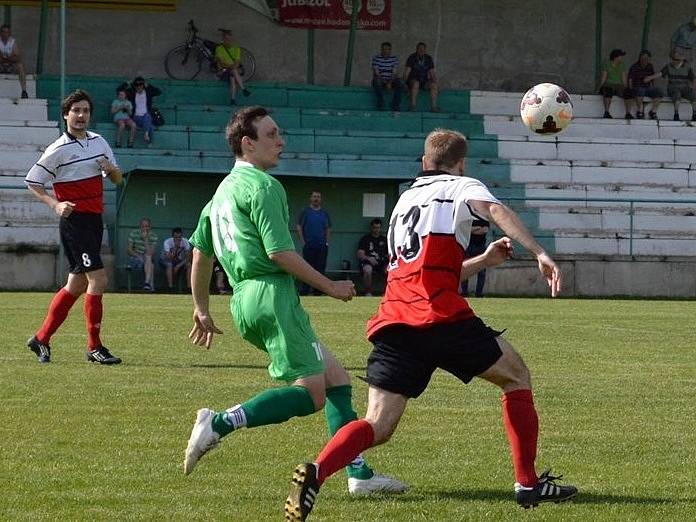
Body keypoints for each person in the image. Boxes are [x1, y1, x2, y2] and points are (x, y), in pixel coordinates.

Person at [285, 129, 578, 521]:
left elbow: (428, 269)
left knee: (377, 424)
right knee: (517, 377)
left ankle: (317, 472)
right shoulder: (462, 186)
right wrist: (540, 252)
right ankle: (527, 483)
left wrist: (484, 261)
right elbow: (496, 211)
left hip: (396, 322)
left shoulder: (405, 200)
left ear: (424, 163)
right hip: (443, 318)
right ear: (460, 164)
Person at [183, 106, 407, 499]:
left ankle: (358, 472)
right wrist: (331, 287)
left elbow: (200, 254)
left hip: (244, 301)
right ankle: (219, 423)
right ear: (247, 143)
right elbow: (279, 254)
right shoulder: (265, 187)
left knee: (337, 380)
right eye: (271, 135)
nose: (281, 141)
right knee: (311, 394)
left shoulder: (220, 193)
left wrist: (201, 308)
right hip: (271, 294)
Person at [24, 89, 122, 365]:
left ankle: (41, 339)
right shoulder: (57, 149)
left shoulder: (100, 142)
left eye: (85, 111)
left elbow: (117, 179)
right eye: (75, 111)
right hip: (74, 222)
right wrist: (54, 204)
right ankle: (95, 346)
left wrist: (109, 168)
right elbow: (33, 182)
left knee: (76, 283)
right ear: (66, 115)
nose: (81, 116)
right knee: (98, 279)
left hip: (94, 220)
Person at [644, 49, 696, 121]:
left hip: (684, 86)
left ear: (681, 60)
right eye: (673, 58)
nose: (674, 60)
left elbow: (693, 78)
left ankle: (694, 114)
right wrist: (650, 77)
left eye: (676, 59)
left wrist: (693, 87)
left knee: (693, 95)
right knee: (677, 94)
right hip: (673, 86)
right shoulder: (668, 66)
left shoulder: (687, 68)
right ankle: (676, 114)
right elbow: (660, 74)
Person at [296, 191, 331, 296]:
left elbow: (328, 228)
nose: (316, 199)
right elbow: (299, 227)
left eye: (318, 197)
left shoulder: (324, 213)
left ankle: (318, 291)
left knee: (320, 268)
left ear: (321, 199)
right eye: (314, 196)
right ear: (310, 198)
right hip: (309, 245)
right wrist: (303, 242)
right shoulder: (305, 212)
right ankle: (305, 291)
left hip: (322, 245)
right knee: (307, 268)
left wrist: (327, 242)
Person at [120, 76, 161, 147]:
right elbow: (119, 89)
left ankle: (146, 134)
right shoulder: (132, 93)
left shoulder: (148, 92)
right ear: (134, 86)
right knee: (149, 120)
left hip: (146, 116)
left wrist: (148, 85)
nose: (139, 87)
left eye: (141, 85)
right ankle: (148, 138)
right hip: (136, 117)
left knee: (148, 118)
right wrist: (128, 82)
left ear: (143, 85)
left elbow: (158, 92)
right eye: (137, 86)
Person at [215, 29, 251, 106]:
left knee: (233, 77)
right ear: (223, 40)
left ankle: (232, 100)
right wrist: (231, 66)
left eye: (230, 39)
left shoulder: (236, 48)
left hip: (233, 72)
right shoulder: (219, 49)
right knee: (233, 71)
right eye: (226, 39)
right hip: (223, 71)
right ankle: (243, 89)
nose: (228, 41)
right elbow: (222, 63)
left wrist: (232, 67)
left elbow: (237, 63)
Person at [403, 42, 439, 112]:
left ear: (425, 50)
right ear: (416, 49)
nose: (421, 50)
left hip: (424, 81)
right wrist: (404, 84)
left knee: (433, 85)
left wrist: (437, 83)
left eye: (423, 49)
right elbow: (407, 72)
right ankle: (413, 106)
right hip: (413, 80)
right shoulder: (412, 57)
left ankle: (434, 107)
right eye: (420, 49)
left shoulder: (428, 58)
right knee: (416, 83)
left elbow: (432, 73)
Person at [599, 49, 634, 119]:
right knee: (607, 90)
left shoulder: (622, 64)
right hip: (609, 84)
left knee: (629, 92)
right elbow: (604, 77)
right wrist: (600, 87)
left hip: (619, 86)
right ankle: (606, 112)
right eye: (620, 56)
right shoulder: (606, 63)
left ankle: (628, 113)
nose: (621, 58)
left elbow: (624, 78)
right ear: (616, 57)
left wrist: (626, 88)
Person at [627, 50, 663, 120]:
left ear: (649, 59)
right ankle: (639, 111)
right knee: (640, 90)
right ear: (639, 58)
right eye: (642, 58)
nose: (644, 60)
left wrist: (653, 86)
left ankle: (653, 111)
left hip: (647, 87)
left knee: (659, 92)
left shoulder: (650, 66)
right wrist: (630, 89)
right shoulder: (634, 66)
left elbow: (652, 78)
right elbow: (630, 79)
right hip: (637, 87)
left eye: (646, 58)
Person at [356, 218, 388, 296]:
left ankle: (386, 293)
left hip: (382, 262)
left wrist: (386, 260)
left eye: (378, 228)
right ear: (371, 228)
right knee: (367, 270)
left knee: (390, 270)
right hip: (368, 262)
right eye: (374, 228)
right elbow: (360, 254)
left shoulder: (384, 240)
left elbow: (389, 254)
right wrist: (369, 258)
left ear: (380, 228)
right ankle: (368, 292)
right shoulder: (365, 239)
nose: (376, 230)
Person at [461, 218, 489, 298]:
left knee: (481, 272)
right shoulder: (469, 217)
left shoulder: (484, 217)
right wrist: (478, 228)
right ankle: (464, 292)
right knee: (465, 268)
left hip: (480, 246)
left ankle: (479, 293)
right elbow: (467, 230)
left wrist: (473, 229)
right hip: (468, 246)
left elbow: (485, 230)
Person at [371, 42, 404, 111]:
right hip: (381, 79)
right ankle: (381, 103)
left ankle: (395, 104)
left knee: (401, 83)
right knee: (376, 81)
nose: (386, 51)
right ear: (381, 50)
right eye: (384, 49)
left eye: (388, 49)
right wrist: (385, 83)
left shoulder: (394, 58)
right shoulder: (376, 58)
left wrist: (389, 83)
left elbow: (394, 73)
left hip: (391, 80)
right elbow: (377, 73)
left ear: (390, 50)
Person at [127, 217, 158, 291]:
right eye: (143, 226)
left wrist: (145, 239)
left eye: (147, 226)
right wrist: (138, 256)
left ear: (150, 227)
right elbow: (129, 250)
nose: (145, 228)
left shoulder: (153, 236)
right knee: (151, 264)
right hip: (135, 258)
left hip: (147, 258)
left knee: (148, 258)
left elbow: (151, 252)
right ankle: (150, 287)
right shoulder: (133, 233)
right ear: (140, 226)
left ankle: (147, 284)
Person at [159, 227, 192, 292]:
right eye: (176, 237)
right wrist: (175, 249)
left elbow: (188, 257)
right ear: (173, 237)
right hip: (165, 260)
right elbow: (168, 257)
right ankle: (170, 288)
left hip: (179, 262)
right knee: (169, 265)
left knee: (189, 265)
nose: (178, 239)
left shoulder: (185, 242)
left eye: (179, 237)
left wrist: (178, 266)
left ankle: (189, 288)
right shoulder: (167, 242)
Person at [0, 24, 28, 98]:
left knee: (20, 66)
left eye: (7, 32)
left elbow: (18, 57)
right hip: (1, 66)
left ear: (9, 33)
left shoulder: (12, 42)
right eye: (3, 32)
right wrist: (10, 57)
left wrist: (5, 58)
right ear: (1, 33)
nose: (5, 34)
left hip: (10, 66)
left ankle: (24, 91)